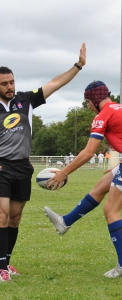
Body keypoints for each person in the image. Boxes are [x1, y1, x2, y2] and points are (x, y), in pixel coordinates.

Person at [43, 80, 122, 278]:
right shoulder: (121, 108)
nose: (87, 106)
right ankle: (65, 222)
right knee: (99, 188)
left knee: (111, 209)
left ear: (95, 99)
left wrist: (64, 172)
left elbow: (88, 153)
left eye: (87, 102)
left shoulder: (102, 116)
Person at [0, 43, 86, 282]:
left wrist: (77, 66)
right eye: (4, 83)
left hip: (22, 167)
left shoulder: (25, 100)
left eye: (11, 82)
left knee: (15, 217)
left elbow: (55, 83)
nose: (9, 87)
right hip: (1, 167)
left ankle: (6, 261)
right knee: (2, 215)